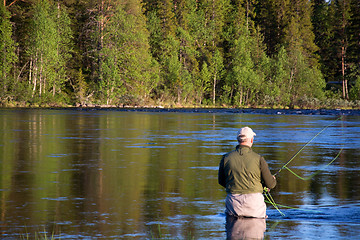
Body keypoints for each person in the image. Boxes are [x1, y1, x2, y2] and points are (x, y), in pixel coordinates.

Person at [218, 126, 276, 218]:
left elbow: (221, 181)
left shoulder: (226, 158)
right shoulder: (259, 159)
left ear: (238, 140)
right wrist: (269, 182)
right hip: (255, 206)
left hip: (233, 204)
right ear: (251, 140)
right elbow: (271, 184)